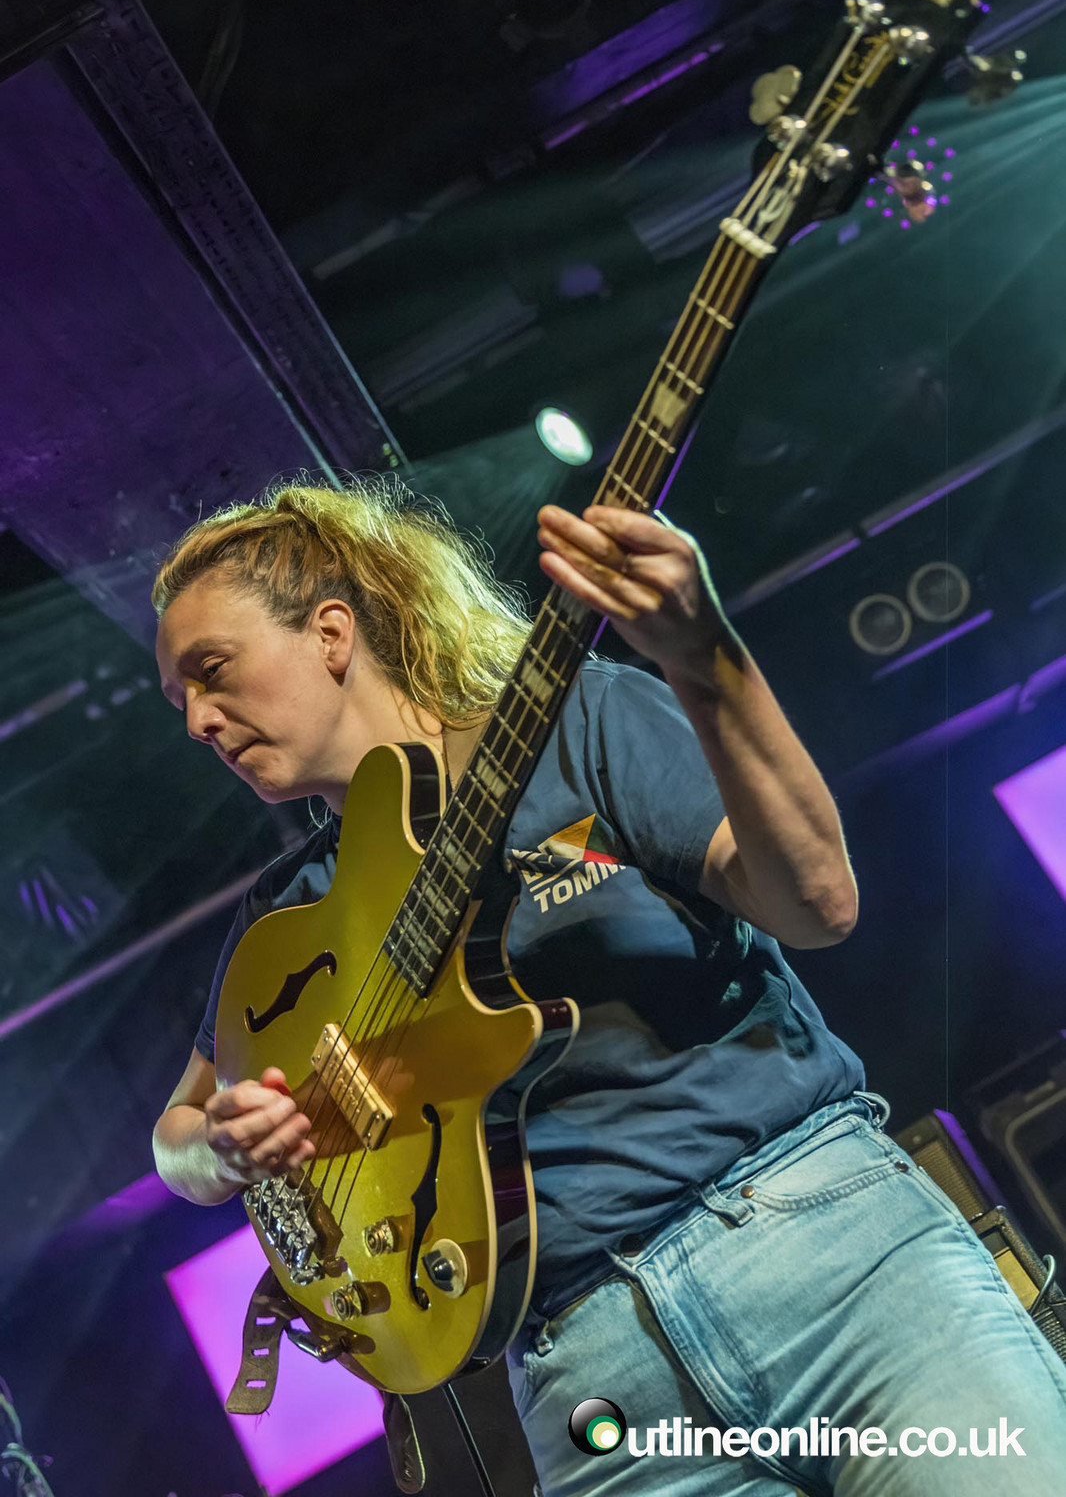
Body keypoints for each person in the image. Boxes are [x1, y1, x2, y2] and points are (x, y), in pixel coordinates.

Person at [152, 477, 1066, 1496]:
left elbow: (818, 903)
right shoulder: (285, 917)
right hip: (585, 1380)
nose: (197, 721)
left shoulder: (573, 721)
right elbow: (175, 1138)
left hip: (819, 1253)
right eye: (181, 702)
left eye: (211, 670)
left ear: (330, 633)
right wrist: (219, 1145)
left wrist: (703, 658)